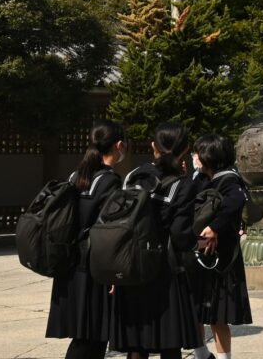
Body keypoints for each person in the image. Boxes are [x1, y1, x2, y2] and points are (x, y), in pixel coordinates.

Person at [111, 122, 202, 359]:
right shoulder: (183, 185)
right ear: (185, 149)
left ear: (153, 146)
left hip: (131, 267)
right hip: (164, 272)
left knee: (136, 344)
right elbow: (181, 235)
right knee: (169, 343)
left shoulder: (134, 176)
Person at [45, 121, 126, 359]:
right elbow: (109, 230)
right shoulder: (110, 181)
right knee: (93, 339)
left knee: (84, 337)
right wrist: (115, 272)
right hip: (94, 268)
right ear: (119, 145)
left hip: (70, 263)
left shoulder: (76, 176)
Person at [191, 135, 252, 359]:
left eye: (198, 154)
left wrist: (215, 227)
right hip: (199, 252)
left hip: (222, 257)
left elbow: (236, 202)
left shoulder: (229, 180)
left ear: (210, 157)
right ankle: (201, 354)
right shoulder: (200, 179)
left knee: (218, 315)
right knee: (195, 310)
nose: (194, 158)